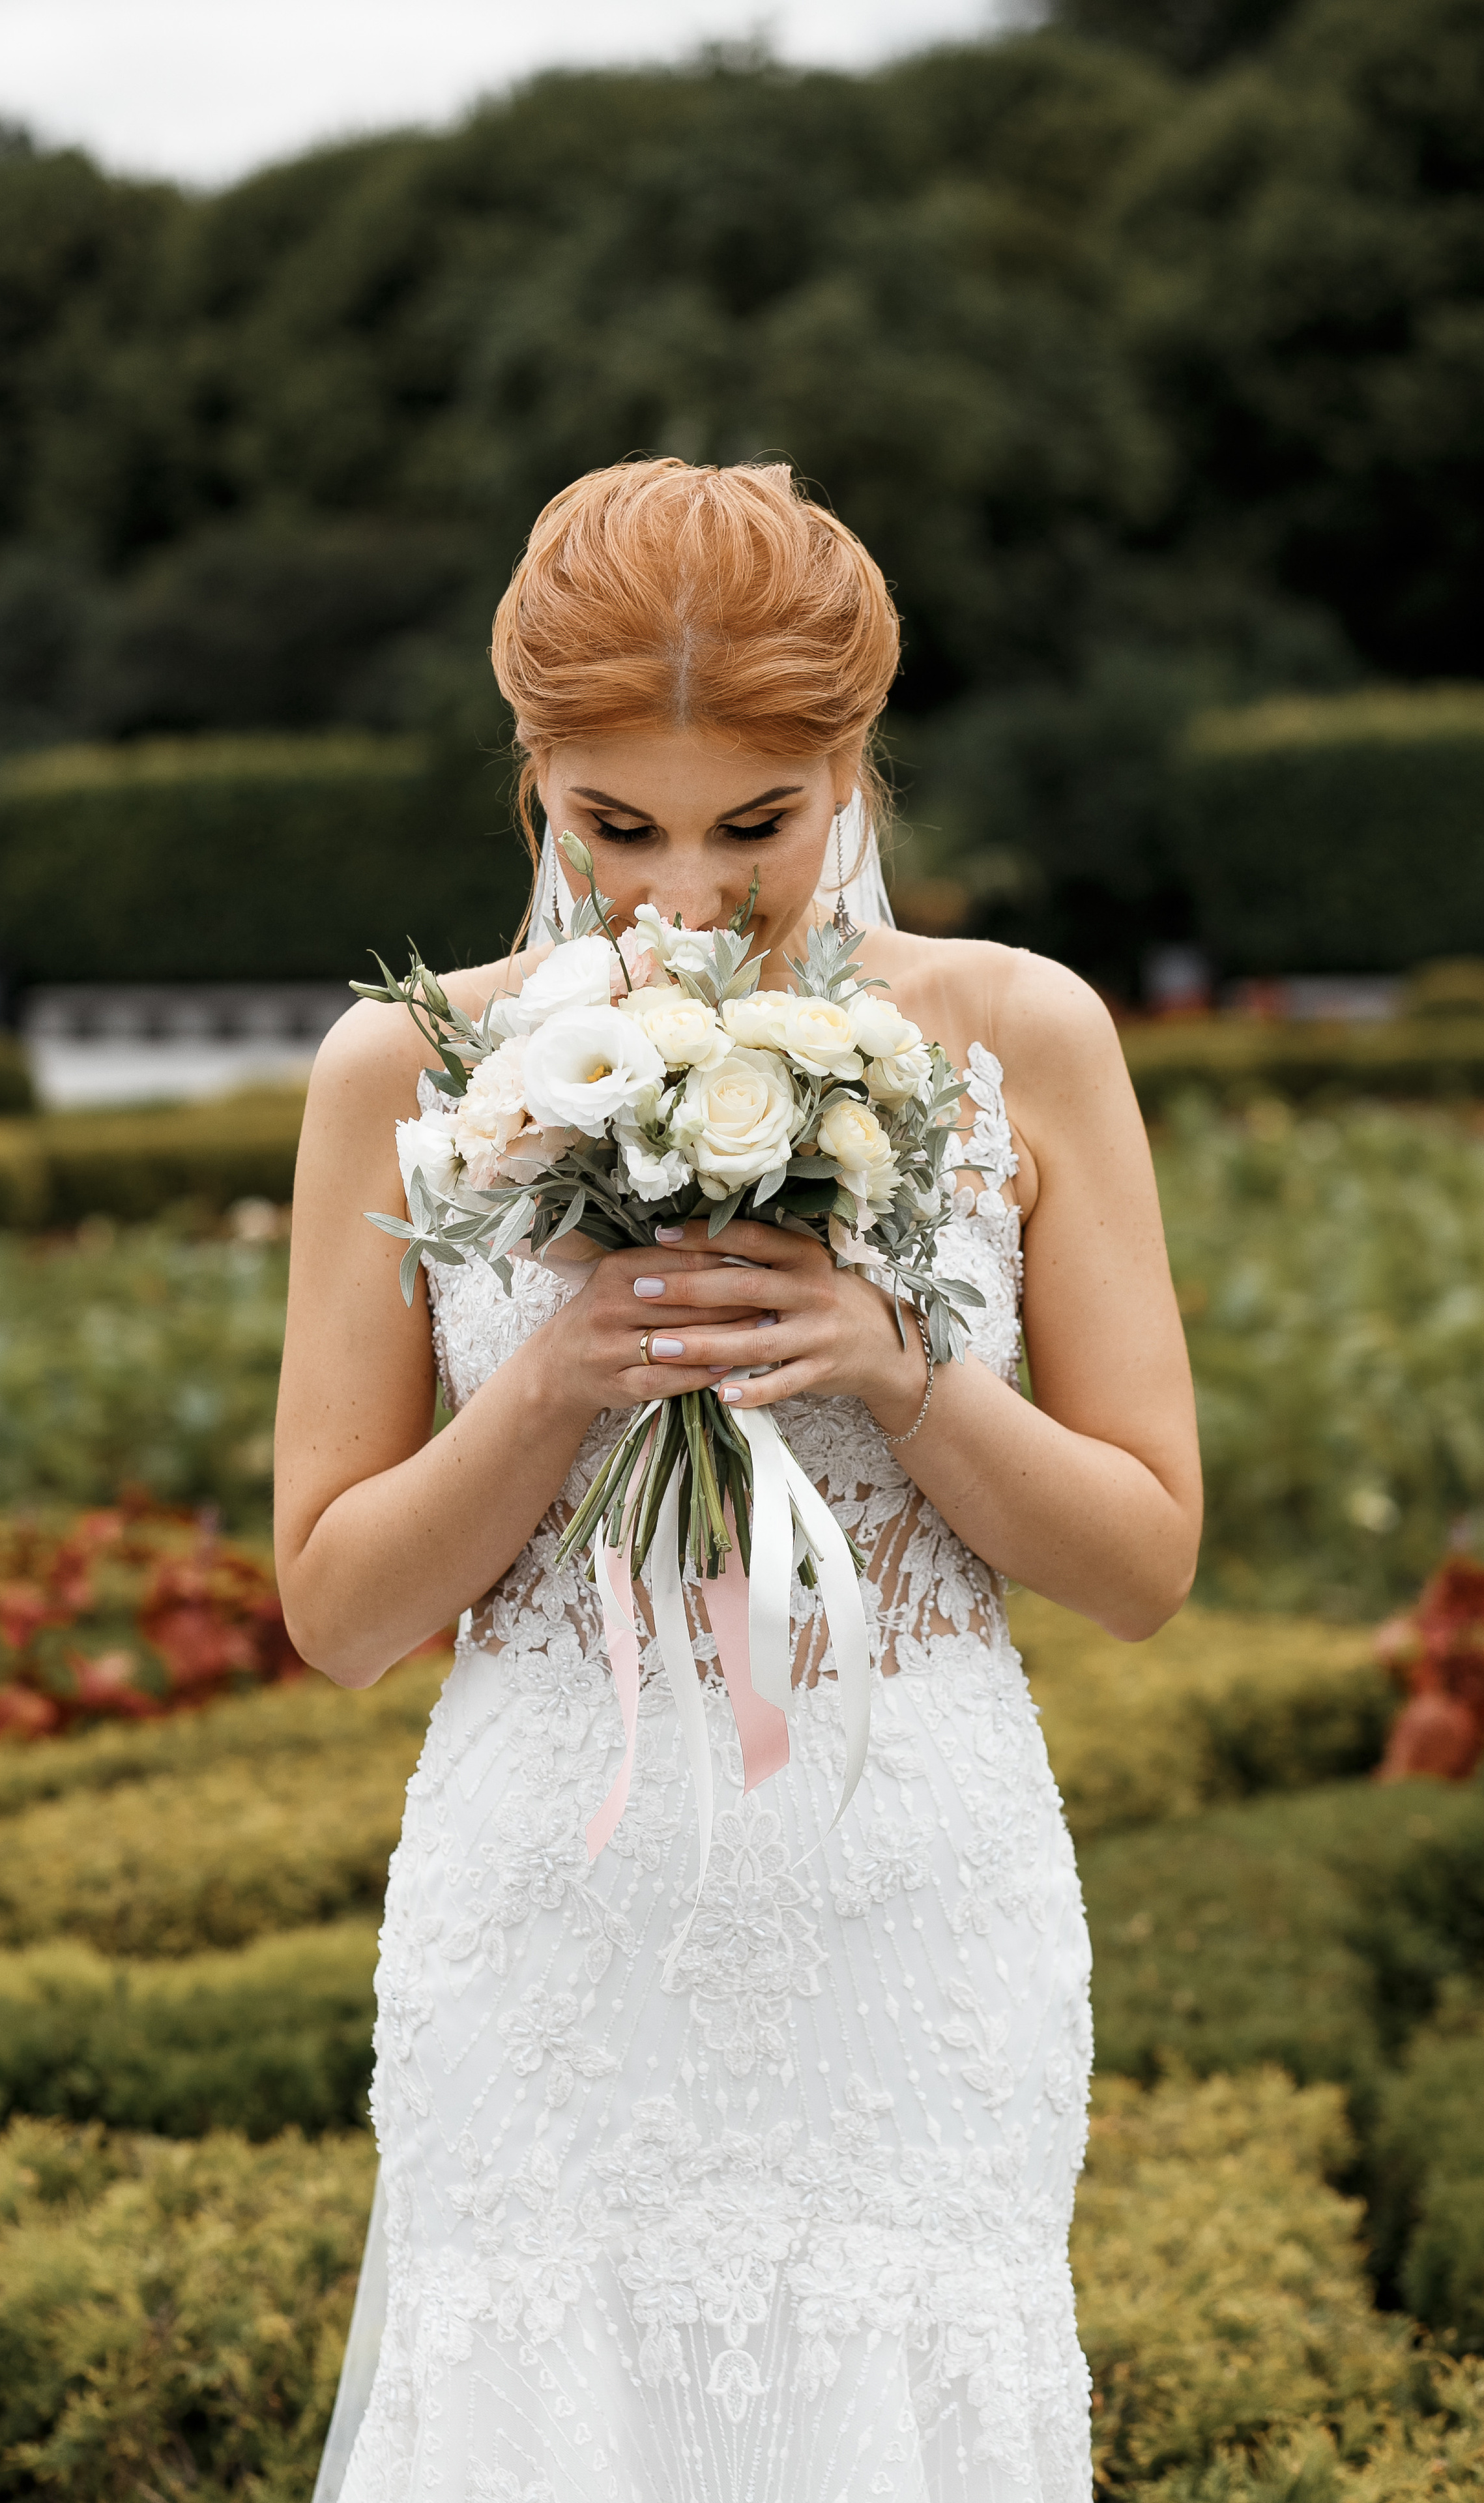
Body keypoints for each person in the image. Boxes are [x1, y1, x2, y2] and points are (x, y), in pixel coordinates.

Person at [276, 458, 1201, 2503]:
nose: (682, 898)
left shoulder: (1020, 1035)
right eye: (616, 827)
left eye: (753, 828)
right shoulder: (408, 1070)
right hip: (549, 1930)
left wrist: (905, 1370)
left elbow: (1144, 1560)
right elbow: (336, 1615)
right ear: (533, 776)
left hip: (912, 1920)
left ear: (853, 769)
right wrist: (549, 1388)